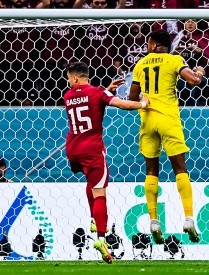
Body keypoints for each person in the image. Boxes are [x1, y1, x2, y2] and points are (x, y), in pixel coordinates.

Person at [64, 62, 149, 263]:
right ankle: (101, 238)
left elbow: (88, 100)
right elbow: (124, 105)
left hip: (73, 148)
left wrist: (105, 91)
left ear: (75, 78)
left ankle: (94, 219)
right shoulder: (97, 94)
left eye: (69, 78)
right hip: (92, 150)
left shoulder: (67, 97)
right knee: (100, 191)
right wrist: (143, 103)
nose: (68, 82)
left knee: (91, 183)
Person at [129, 29, 205, 245]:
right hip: (168, 119)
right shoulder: (174, 59)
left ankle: (154, 221)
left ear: (153, 45)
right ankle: (189, 218)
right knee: (180, 169)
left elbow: (132, 97)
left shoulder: (140, 64)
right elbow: (193, 81)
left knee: (151, 171)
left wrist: (145, 97)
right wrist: (199, 72)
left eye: (147, 43)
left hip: (147, 120)